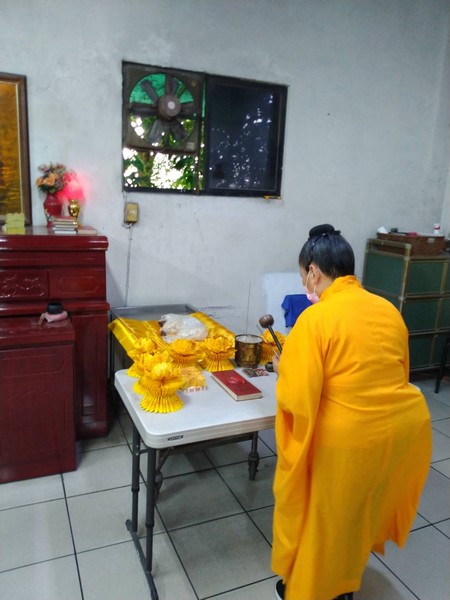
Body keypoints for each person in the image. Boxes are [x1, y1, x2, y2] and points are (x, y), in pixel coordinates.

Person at [271, 224, 432, 600]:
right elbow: (398, 371)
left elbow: (299, 396)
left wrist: (283, 369)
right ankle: (345, 582)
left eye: (303, 276)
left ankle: (313, 590)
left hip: (347, 441)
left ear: (313, 272)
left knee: (325, 521)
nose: (304, 285)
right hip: (401, 430)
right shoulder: (387, 308)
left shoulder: (315, 319)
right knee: (360, 511)